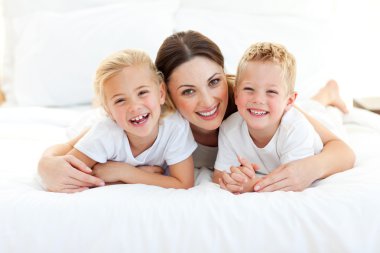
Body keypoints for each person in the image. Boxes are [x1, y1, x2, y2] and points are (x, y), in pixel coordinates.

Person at [38, 30, 355, 193]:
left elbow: (340, 150)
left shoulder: (253, 102)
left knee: (318, 110)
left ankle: (327, 94)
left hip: (303, 116)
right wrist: (45, 165)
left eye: (213, 81)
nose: (207, 101)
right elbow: (61, 152)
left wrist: (309, 169)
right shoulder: (155, 116)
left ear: (225, 75)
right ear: (166, 96)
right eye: (188, 91)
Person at [54, 49, 197, 190]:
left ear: (161, 93)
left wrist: (127, 173)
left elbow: (184, 183)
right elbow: (66, 176)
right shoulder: (105, 133)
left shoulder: (175, 127)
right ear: (109, 111)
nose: (134, 107)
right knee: (82, 135)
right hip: (91, 124)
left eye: (142, 92)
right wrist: (129, 178)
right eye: (120, 100)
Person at [215, 42, 324, 193]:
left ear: (289, 101)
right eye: (249, 89)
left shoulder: (296, 129)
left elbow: (289, 182)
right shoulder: (229, 128)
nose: (258, 100)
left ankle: (329, 94)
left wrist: (251, 185)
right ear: (236, 93)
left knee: (321, 111)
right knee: (312, 105)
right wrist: (235, 179)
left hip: (321, 124)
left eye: (271, 92)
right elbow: (220, 174)